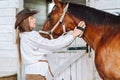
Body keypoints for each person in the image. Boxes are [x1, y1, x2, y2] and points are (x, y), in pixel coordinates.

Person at [15, 8, 86, 80]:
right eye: (31, 18)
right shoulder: (30, 36)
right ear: (25, 21)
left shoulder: (24, 36)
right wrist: (73, 35)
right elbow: (53, 45)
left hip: (35, 75)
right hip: (37, 76)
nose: (34, 20)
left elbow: (49, 46)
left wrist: (70, 35)